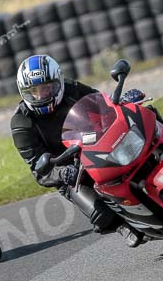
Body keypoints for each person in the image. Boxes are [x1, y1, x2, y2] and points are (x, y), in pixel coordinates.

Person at [10, 54, 149, 247]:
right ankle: (122, 226)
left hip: (98, 145)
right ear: (24, 92)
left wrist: (123, 103)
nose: (41, 95)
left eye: (46, 87)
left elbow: (102, 103)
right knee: (98, 212)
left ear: (57, 81)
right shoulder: (21, 124)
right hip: (69, 170)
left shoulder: (71, 89)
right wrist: (62, 172)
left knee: (146, 117)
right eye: (34, 91)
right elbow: (38, 169)